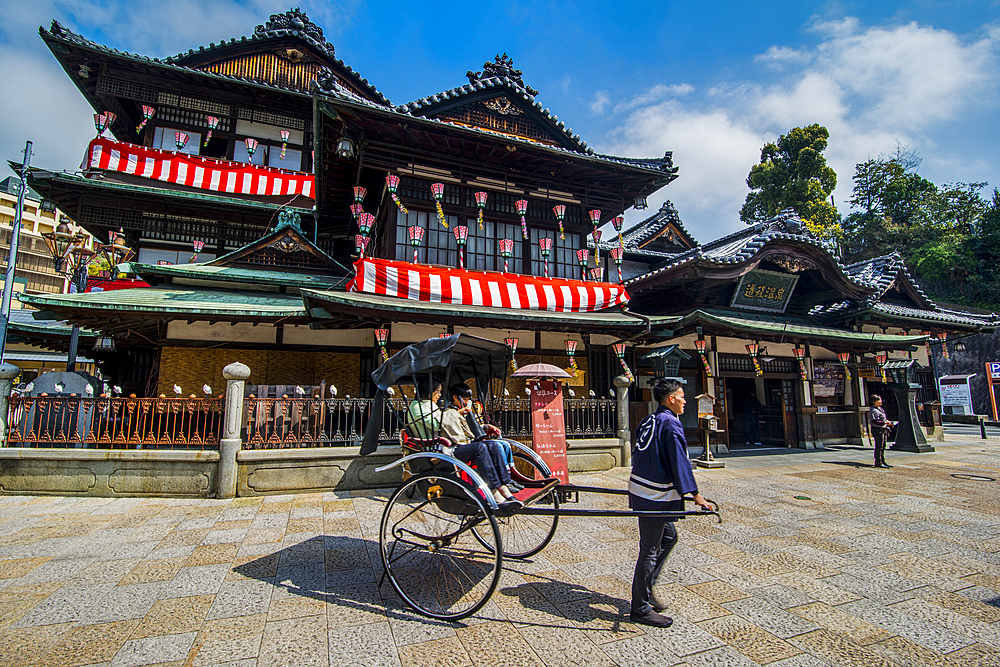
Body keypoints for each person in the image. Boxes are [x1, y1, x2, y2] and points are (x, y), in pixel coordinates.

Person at [628, 378, 713, 628]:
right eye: (682, 396)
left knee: (668, 537)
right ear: (671, 399)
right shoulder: (670, 424)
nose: (686, 400)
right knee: (649, 550)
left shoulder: (650, 419)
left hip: (642, 488)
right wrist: (695, 494)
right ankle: (640, 608)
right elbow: (679, 462)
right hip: (654, 495)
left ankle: (647, 587)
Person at [441, 383, 521, 507]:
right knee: (480, 447)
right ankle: (493, 489)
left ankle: (504, 484)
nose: (466, 402)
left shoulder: (460, 412)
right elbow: (459, 437)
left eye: (468, 400)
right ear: (455, 397)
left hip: (464, 444)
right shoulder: (449, 412)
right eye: (464, 399)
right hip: (454, 448)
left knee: (492, 445)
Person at [869, 395, 893, 469]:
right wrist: (884, 423)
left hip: (883, 428)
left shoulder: (880, 409)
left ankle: (883, 460)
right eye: (878, 400)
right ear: (873, 402)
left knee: (883, 446)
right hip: (877, 429)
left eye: (880, 400)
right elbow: (874, 421)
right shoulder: (873, 410)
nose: (880, 401)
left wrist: (887, 422)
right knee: (879, 446)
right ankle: (878, 462)